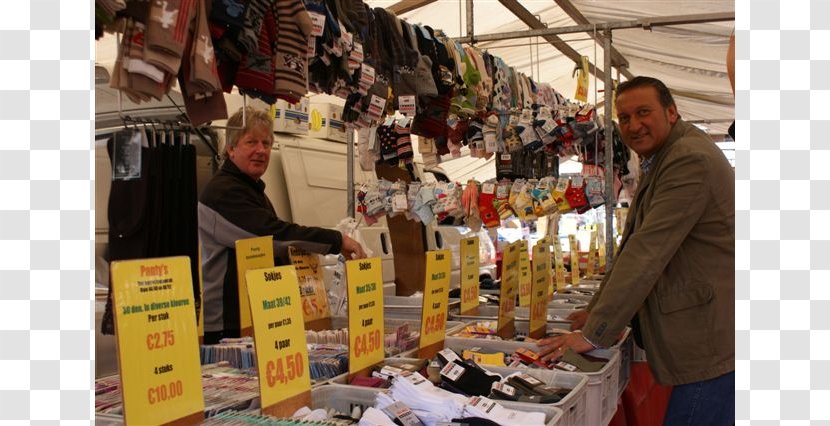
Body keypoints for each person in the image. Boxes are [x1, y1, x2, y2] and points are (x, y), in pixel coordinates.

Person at [538, 76, 735, 425]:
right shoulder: (666, 155)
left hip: (713, 343)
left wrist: (593, 333)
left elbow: (647, 251)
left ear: (671, 112)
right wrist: (596, 312)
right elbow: (633, 243)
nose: (633, 125)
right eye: (624, 118)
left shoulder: (689, 159)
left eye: (644, 112)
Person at [199, 107, 366, 344]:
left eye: (266, 143)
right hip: (229, 322)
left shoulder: (250, 188)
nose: (261, 150)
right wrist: (336, 240)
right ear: (231, 148)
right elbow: (273, 237)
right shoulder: (224, 192)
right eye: (251, 142)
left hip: (254, 314)